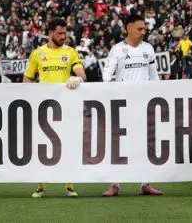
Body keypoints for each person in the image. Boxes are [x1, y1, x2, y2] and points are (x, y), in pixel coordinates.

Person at [100, 15, 163, 198]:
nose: (143, 32)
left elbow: (154, 76)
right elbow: (107, 75)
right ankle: (115, 184)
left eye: (144, 29)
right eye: (139, 29)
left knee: (144, 143)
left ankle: (145, 183)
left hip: (143, 104)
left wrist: (158, 95)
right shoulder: (118, 50)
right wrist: (112, 93)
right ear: (128, 28)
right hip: (121, 104)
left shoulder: (148, 49)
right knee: (118, 144)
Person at [23, 18, 87, 198]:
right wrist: (28, 92)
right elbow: (28, 77)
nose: (63, 37)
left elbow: (81, 73)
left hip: (66, 106)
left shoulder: (71, 52)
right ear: (50, 33)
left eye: (64, 33)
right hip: (44, 106)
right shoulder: (38, 53)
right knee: (42, 146)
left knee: (68, 144)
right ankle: (41, 186)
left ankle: (69, 185)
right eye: (59, 33)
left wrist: (79, 78)